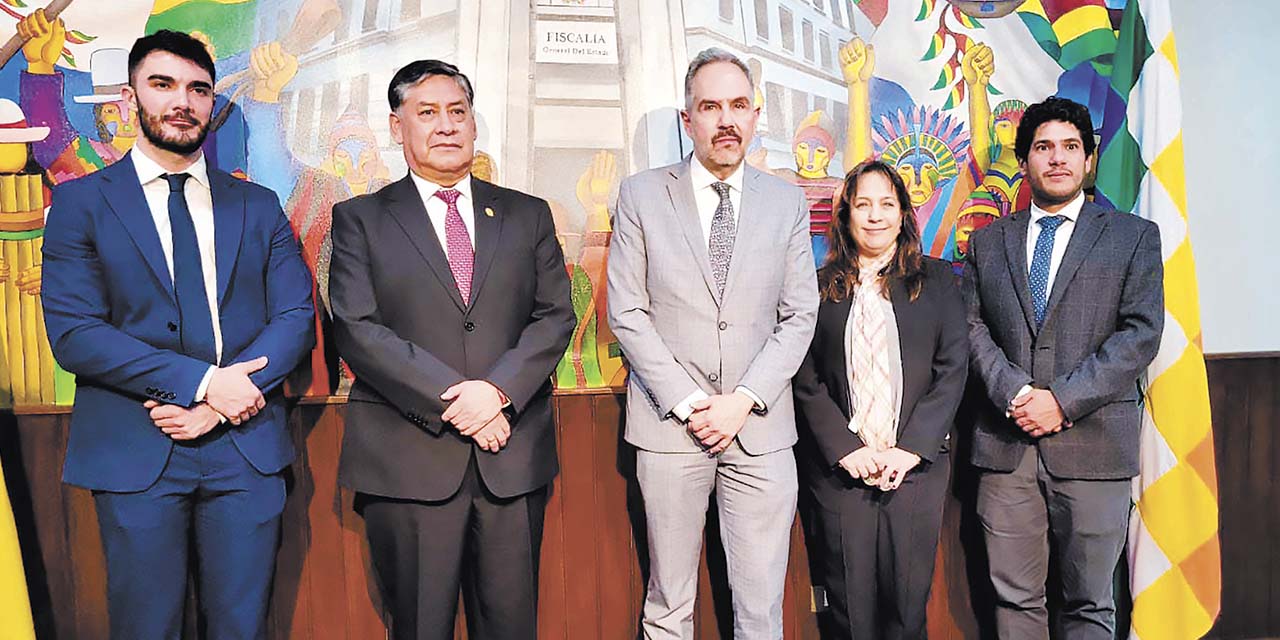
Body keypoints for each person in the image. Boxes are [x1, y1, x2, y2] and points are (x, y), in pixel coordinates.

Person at [40, 29, 316, 639]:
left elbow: (295, 317)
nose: (182, 102)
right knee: (147, 628)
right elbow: (77, 333)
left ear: (212, 103)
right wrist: (201, 383)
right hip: (136, 446)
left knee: (242, 628)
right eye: (162, 85)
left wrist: (221, 405)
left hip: (244, 449)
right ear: (129, 97)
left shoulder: (258, 204)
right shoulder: (80, 204)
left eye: (197, 88)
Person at [328, 59, 574, 640]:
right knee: (418, 627)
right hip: (408, 461)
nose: (446, 125)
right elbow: (358, 328)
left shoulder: (526, 214)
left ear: (473, 123)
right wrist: (457, 403)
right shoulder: (360, 219)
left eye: (457, 112)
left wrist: (495, 395)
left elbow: (554, 316)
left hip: (510, 457)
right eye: (428, 112)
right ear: (397, 128)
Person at [606, 47, 818, 639]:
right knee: (669, 605)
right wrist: (690, 403)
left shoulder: (786, 201)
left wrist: (743, 399)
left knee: (761, 613)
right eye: (710, 106)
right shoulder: (642, 195)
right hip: (671, 430)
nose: (726, 119)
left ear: (755, 115)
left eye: (739, 105)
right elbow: (626, 313)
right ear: (687, 118)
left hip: (761, 431)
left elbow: (799, 315)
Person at [963, 96, 1164, 639]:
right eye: (1043, 147)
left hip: (1094, 447)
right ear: (1025, 161)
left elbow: (1140, 333)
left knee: (1091, 605)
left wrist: (1062, 401)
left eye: (1070, 147)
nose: (1057, 159)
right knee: (1013, 601)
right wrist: (1016, 394)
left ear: (1089, 160)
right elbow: (970, 327)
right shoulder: (986, 241)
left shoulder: (1132, 236)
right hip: (1006, 448)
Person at [793, 159, 968, 639]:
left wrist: (908, 450)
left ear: (903, 213)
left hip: (915, 470)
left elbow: (953, 370)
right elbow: (804, 378)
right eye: (863, 204)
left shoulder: (938, 281)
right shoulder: (817, 286)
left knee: (906, 607)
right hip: (841, 471)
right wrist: (848, 451)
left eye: (886, 204)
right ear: (846, 214)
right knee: (849, 609)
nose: (875, 215)